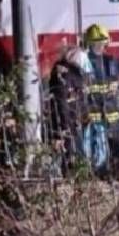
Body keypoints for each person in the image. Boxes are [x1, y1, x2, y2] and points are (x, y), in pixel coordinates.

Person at [80, 24, 119, 172]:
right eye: (95, 44)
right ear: (88, 44)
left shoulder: (110, 62)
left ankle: (101, 171)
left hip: (107, 115)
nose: (98, 47)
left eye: (101, 43)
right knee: (88, 148)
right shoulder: (83, 63)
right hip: (91, 115)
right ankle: (92, 172)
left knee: (103, 149)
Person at [45, 41, 92, 169]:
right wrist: (64, 125)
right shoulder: (64, 75)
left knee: (72, 152)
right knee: (64, 153)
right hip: (66, 122)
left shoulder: (74, 74)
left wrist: (84, 115)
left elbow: (79, 98)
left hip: (72, 121)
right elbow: (61, 102)